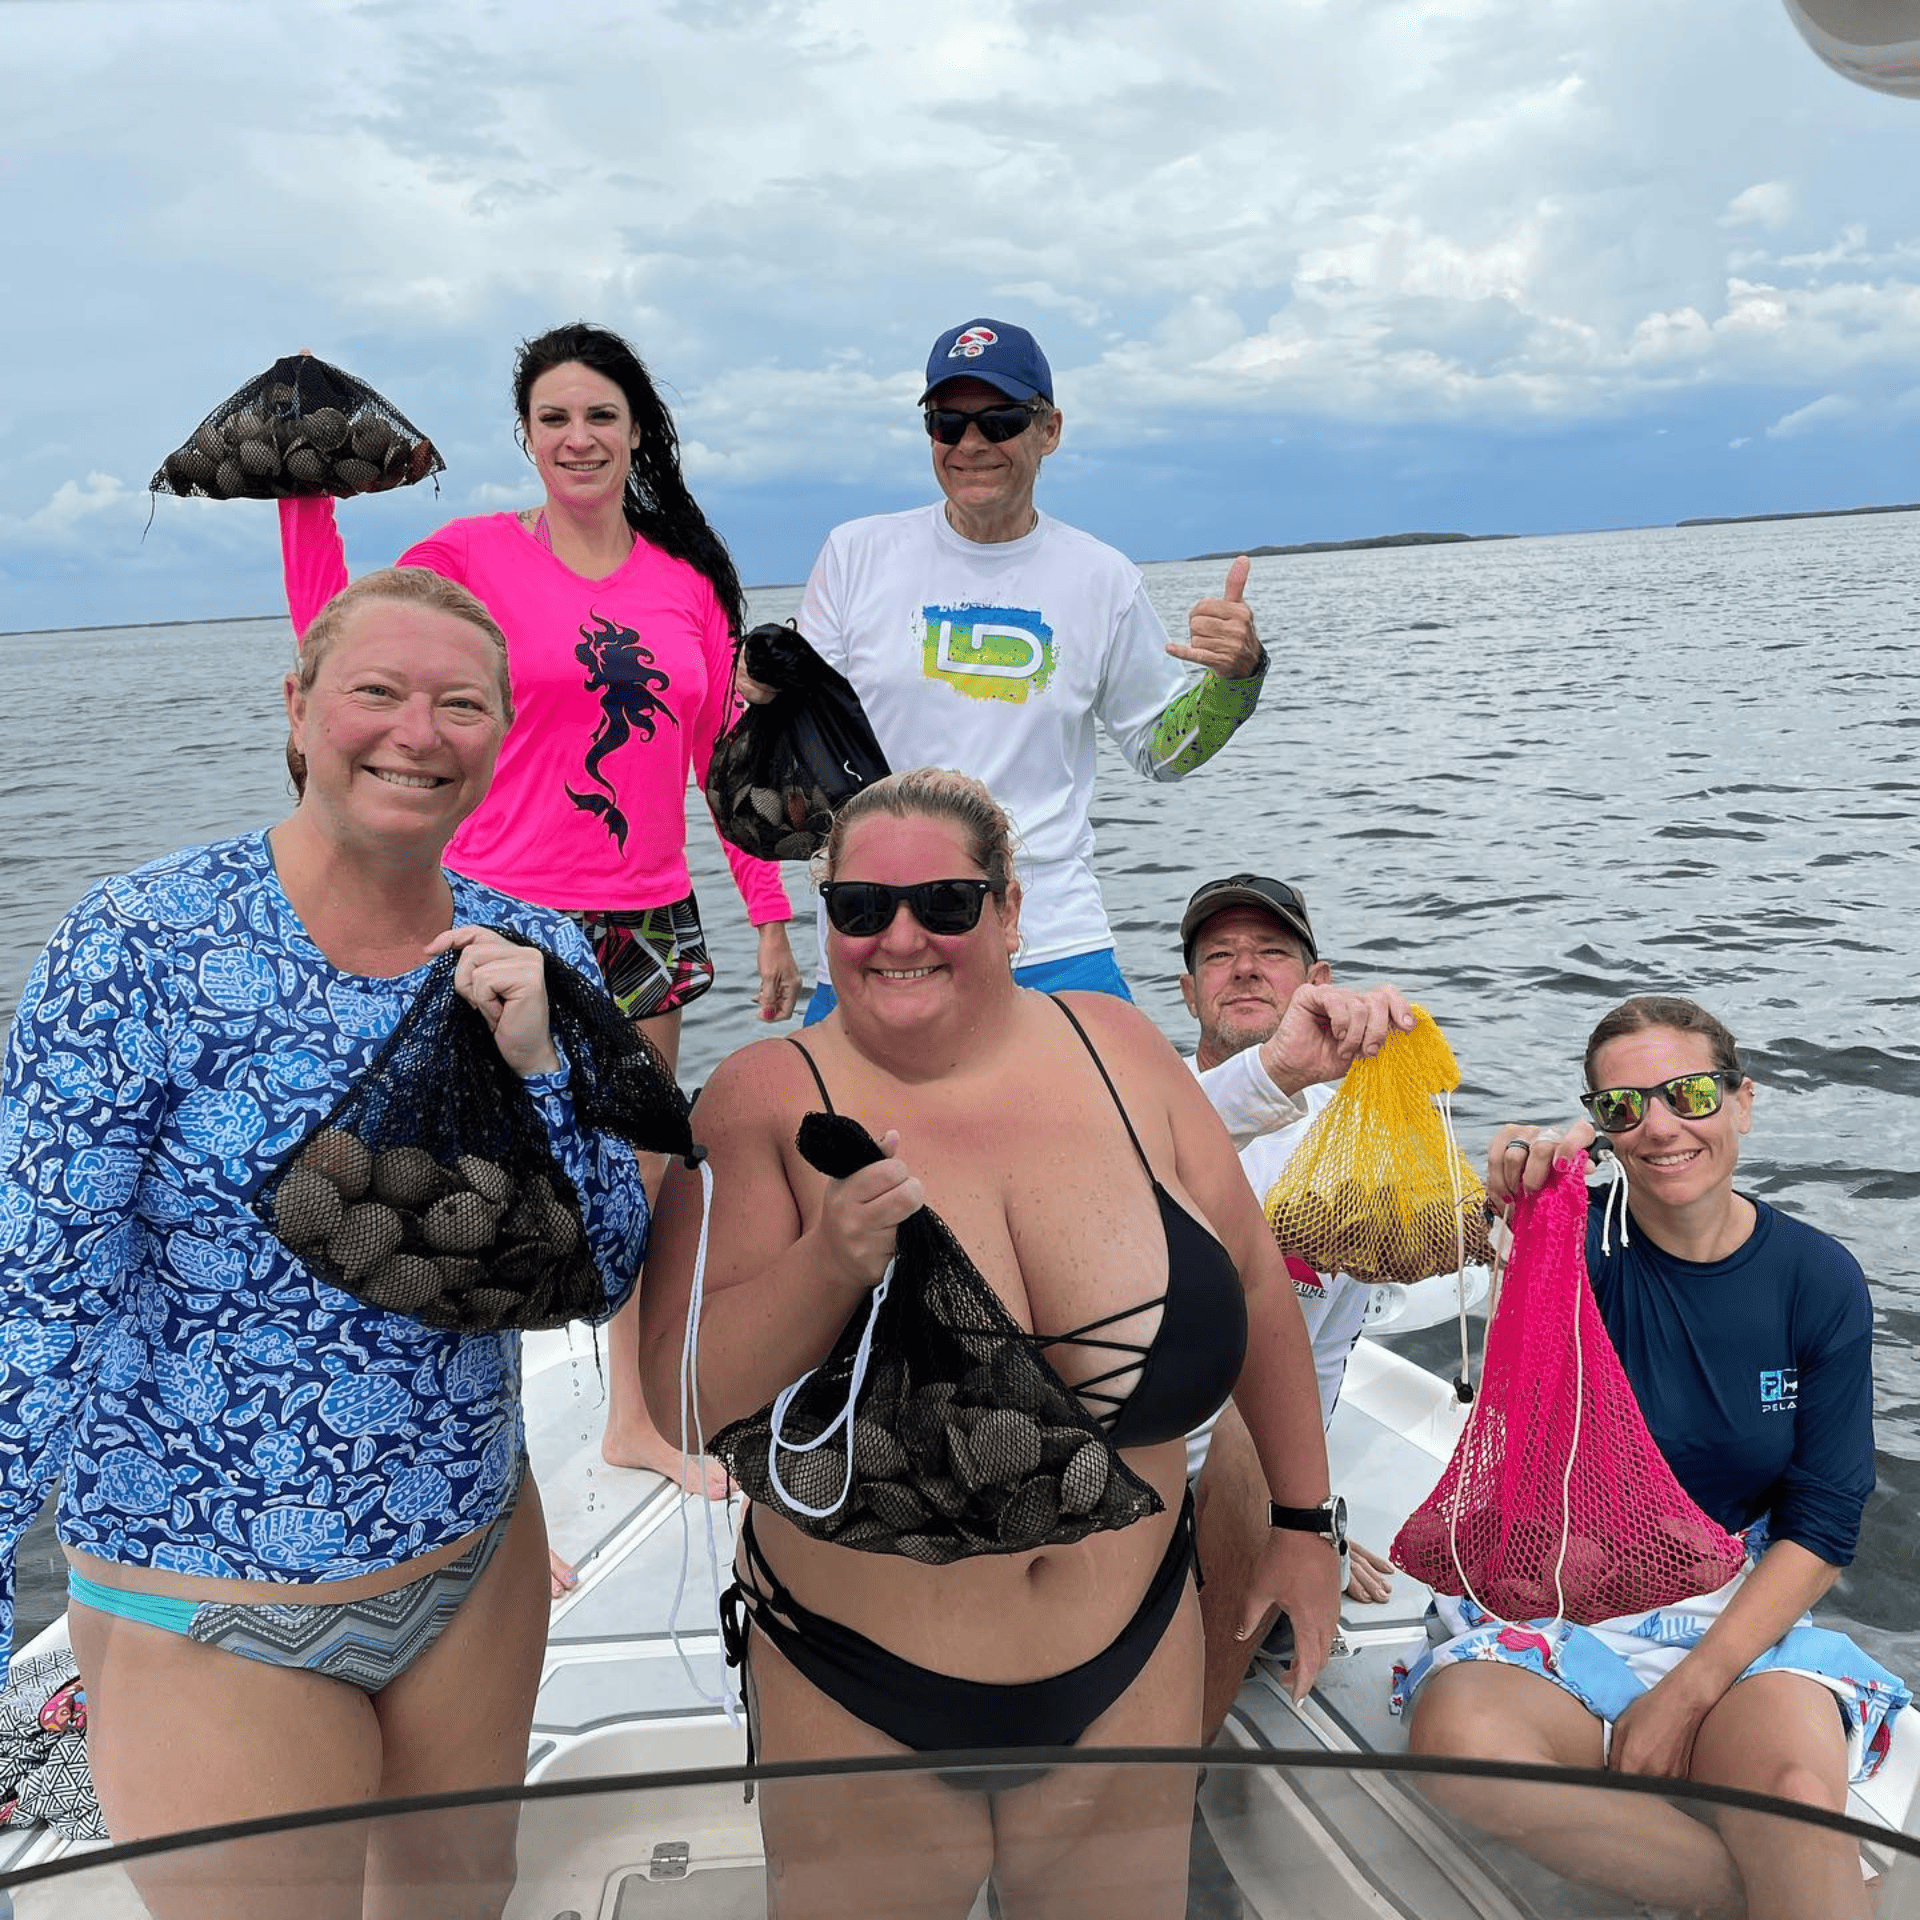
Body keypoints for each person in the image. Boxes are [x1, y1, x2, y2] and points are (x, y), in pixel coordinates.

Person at [0, 568, 650, 1919]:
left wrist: (535, 1069)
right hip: (211, 1598)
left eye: (460, 704)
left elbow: (604, 1263)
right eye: (377, 692)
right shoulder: (137, 950)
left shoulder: (530, 946)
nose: (417, 732)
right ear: (298, 711)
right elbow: (32, 1303)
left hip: (472, 1559)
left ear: (499, 738)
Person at [637, 768, 1343, 1919]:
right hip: (855, 1683)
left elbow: (1258, 1284)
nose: (899, 935)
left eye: (945, 905)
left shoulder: (1120, 1052)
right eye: (861, 908)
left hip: (1134, 1655)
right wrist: (828, 1267)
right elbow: (680, 1397)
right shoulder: (764, 1097)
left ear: (1012, 912)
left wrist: (1308, 1528)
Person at [281, 323, 797, 1561]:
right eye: (554, 418)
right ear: (526, 437)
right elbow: (345, 644)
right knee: (477, 1194)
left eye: (601, 417)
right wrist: (305, 503)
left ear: (637, 434)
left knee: (638, 1180)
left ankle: (629, 1414)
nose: (578, 438)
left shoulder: (681, 586)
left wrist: (771, 917)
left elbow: (725, 769)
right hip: (493, 914)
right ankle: (488, 1492)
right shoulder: (466, 559)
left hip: (647, 917)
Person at [1401, 995, 1909, 1920]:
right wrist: (1502, 1198)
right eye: (1625, 1107)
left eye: (1690, 1094)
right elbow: (1442, 1248)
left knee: (1795, 1790)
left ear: (1743, 1101)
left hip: (1732, 1608)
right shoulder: (1571, 1247)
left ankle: (1792, 1880)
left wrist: (1688, 1695)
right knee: (1458, 1746)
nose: (1663, 1127)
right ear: (1598, 1129)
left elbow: (1826, 1522)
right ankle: (1770, 1897)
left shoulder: (1817, 1279)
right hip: (1562, 1591)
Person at [747, 317, 1269, 1021]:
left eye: (999, 420)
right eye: (946, 423)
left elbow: (1162, 752)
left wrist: (1236, 680)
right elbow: (795, 760)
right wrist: (762, 693)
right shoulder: (855, 554)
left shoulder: (1101, 577)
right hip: (877, 934)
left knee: (1122, 1120)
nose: (971, 444)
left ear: (1049, 429)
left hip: (1052, 938)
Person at [1171, 872, 1422, 1740]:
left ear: (1319, 985)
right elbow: (1142, 1152)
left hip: (1246, 1478)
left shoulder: (1351, 1141)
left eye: (1272, 954)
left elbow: (1320, 1356)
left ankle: (1179, 1760)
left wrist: (1307, 1521)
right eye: (1221, 957)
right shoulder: (1135, 1101)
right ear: (1187, 990)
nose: (1245, 970)